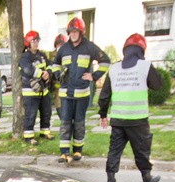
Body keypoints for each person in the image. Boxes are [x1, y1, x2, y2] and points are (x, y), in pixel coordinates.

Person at [98, 33, 162, 182]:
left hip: (118, 119)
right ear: (141, 50)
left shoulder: (114, 69)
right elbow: (157, 85)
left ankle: (111, 181)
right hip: (138, 119)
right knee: (142, 149)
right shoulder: (145, 66)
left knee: (114, 150)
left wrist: (103, 115)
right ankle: (146, 177)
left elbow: (104, 95)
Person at [51, 17, 109, 163]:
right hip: (65, 94)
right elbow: (54, 64)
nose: (73, 34)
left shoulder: (89, 47)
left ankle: (77, 150)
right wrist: (58, 74)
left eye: (76, 31)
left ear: (81, 32)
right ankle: (63, 152)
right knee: (65, 123)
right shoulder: (63, 48)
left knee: (79, 123)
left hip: (82, 94)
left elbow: (106, 61)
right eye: (71, 31)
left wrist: (94, 76)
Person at [18, 31, 52, 145]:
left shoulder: (42, 55)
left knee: (47, 112)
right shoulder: (24, 57)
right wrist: (42, 74)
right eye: (34, 41)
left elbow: (50, 65)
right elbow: (28, 69)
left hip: (43, 90)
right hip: (31, 91)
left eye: (37, 40)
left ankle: (45, 132)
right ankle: (29, 136)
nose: (36, 43)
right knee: (31, 114)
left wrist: (48, 72)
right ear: (28, 42)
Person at [49, 34, 66, 119]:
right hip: (57, 89)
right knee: (60, 110)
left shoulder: (68, 55)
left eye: (62, 44)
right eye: (58, 44)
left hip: (68, 88)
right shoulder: (52, 56)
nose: (60, 46)